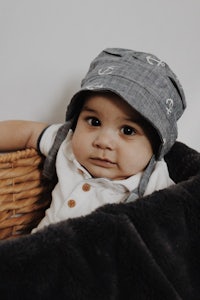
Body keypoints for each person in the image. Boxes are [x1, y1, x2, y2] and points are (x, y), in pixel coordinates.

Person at [0, 48, 186, 232]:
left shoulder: (154, 181)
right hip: (39, 251)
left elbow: (175, 225)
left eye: (128, 130)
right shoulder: (66, 144)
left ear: (156, 145)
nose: (103, 141)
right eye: (94, 121)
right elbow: (28, 133)